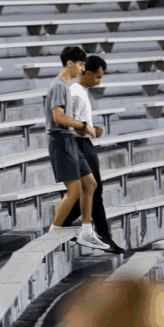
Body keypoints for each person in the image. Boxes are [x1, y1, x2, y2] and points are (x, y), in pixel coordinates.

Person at [46, 45, 110, 252]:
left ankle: (87, 233)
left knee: (90, 184)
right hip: (61, 140)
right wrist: (83, 125)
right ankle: (51, 235)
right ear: (70, 63)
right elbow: (58, 117)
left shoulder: (66, 86)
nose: (83, 69)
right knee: (74, 191)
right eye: (81, 65)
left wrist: (82, 128)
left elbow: (67, 118)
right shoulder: (59, 86)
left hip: (69, 140)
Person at [60, 54, 124, 254]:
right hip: (78, 145)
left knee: (91, 190)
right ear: (86, 73)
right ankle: (103, 235)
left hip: (83, 143)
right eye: (97, 77)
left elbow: (78, 120)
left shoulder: (80, 91)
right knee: (92, 190)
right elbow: (66, 120)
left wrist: (90, 128)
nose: (98, 82)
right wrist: (83, 129)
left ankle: (61, 225)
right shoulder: (76, 93)